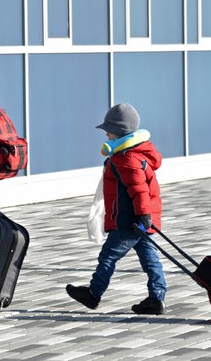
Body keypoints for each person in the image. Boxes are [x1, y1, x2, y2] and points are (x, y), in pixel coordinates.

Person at [66, 103, 167, 315]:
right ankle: (157, 298)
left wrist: (143, 215)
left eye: (108, 131)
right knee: (151, 260)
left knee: (108, 257)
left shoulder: (126, 159)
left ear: (119, 131)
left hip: (129, 222)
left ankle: (93, 294)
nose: (106, 134)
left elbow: (139, 191)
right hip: (139, 222)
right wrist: (145, 218)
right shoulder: (135, 153)